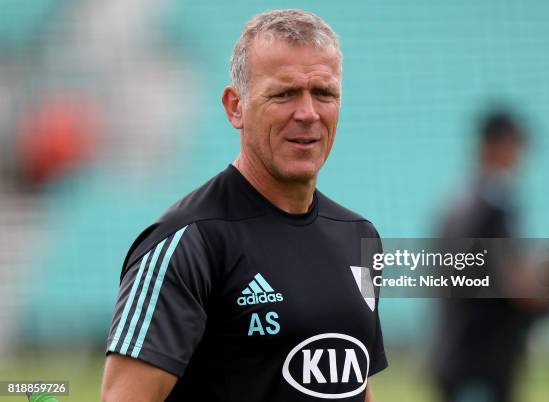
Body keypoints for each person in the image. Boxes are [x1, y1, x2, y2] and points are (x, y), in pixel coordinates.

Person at [101, 9, 387, 402]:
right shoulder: (187, 242)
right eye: (284, 93)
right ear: (236, 106)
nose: (307, 113)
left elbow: (356, 388)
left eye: (324, 93)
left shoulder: (360, 238)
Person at [430, 111, 536, 402]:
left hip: (460, 355)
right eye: (515, 145)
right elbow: (521, 288)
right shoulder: (489, 207)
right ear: (495, 145)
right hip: (478, 363)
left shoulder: (460, 201)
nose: (519, 156)